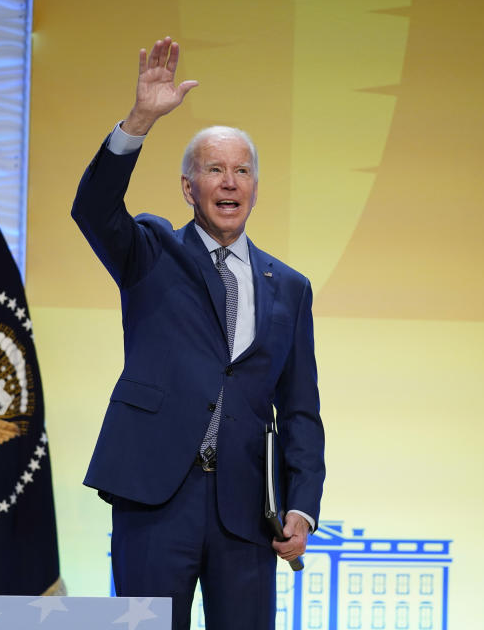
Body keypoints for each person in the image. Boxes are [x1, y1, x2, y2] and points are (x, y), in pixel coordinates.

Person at [71, 37, 325, 629]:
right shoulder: (152, 250)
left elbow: (301, 410)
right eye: (215, 170)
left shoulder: (290, 287)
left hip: (245, 508)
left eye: (242, 171)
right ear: (190, 188)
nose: (230, 182)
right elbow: (92, 208)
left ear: (255, 187)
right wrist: (139, 121)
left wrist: (302, 506)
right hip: (155, 497)